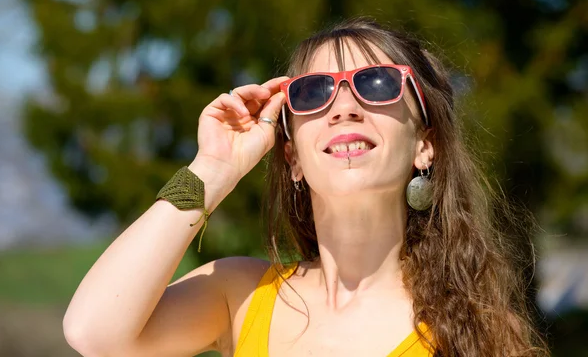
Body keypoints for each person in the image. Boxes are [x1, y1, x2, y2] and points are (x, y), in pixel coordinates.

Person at [63, 18, 548, 356]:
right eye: (314, 93)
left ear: (426, 145)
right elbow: (94, 333)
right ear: (292, 157)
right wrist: (212, 170)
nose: (344, 107)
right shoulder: (242, 295)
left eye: (376, 83)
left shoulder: (476, 332)